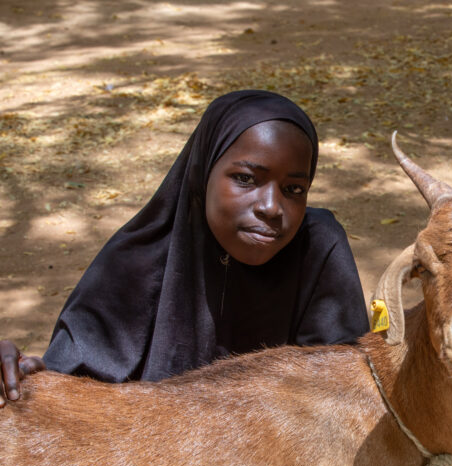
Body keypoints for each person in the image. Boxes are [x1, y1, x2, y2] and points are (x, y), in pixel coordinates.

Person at [0, 90, 369, 406]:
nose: (271, 207)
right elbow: (71, 385)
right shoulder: (136, 262)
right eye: (245, 179)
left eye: (294, 190)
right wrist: (21, 375)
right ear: (201, 174)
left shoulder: (317, 247)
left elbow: (342, 387)